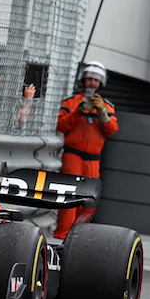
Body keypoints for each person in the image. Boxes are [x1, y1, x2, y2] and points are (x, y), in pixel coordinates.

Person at [54, 60, 118, 239]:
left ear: (101, 83)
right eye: (89, 79)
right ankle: (62, 235)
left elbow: (112, 129)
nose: (92, 83)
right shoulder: (71, 102)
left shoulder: (106, 106)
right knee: (69, 196)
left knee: (88, 198)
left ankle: (79, 237)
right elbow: (61, 125)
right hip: (72, 156)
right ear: (84, 79)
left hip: (93, 160)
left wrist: (102, 113)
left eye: (96, 80)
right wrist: (78, 112)